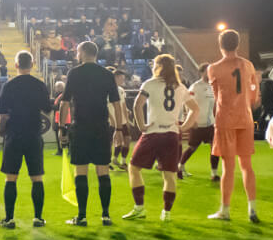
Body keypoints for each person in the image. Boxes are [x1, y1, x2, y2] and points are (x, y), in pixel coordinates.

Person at [60, 41, 127, 226]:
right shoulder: (106, 74)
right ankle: (105, 215)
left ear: (81, 53)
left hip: (80, 127)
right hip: (101, 127)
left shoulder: (74, 73)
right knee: (102, 171)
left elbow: (64, 103)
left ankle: (81, 216)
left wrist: (62, 128)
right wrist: (119, 129)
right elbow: (116, 103)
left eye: (77, 52)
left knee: (80, 171)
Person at [124, 55, 198, 221]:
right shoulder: (180, 87)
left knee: (134, 168)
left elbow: (137, 104)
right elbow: (195, 109)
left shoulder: (150, 84)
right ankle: (167, 213)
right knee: (169, 175)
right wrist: (184, 126)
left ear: (158, 66)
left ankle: (139, 207)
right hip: (172, 135)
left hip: (153, 133)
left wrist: (141, 126)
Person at [206, 29, 261, 222]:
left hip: (225, 120)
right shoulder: (248, 65)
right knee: (247, 166)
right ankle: (252, 209)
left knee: (228, 168)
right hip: (245, 119)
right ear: (237, 44)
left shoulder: (214, 68)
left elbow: (216, 96)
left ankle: (225, 210)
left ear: (220, 45)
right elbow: (254, 95)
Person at [0, 50, 53, 228]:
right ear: (33, 64)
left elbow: (2, 114)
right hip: (34, 134)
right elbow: (48, 110)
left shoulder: (9, 85)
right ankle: (38, 218)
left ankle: (9, 218)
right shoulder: (40, 85)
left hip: (14, 134)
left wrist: (1, 128)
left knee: (11, 177)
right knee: (37, 177)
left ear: (16, 65)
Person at [180, 63, 220, 182]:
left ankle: (214, 173)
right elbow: (186, 103)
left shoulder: (214, 86)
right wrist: (191, 120)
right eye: (206, 71)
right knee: (192, 147)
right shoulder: (195, 86)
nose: (209, 74)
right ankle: (180, 166)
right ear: (201, 72)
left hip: (211, 124)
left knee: (215, 148)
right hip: (197, 123)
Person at [110, 70, 131, 170]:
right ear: (115, 77)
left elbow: (123, 105)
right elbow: (105, 106)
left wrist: (126, 118)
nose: (123, 80)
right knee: (114, 141)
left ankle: (122, 161)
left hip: (121, 120)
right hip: (112, 121)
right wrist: (111, 120)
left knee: (127, 140)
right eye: (121, 78)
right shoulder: (108, 89)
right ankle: (109, 161)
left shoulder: (121, 90)